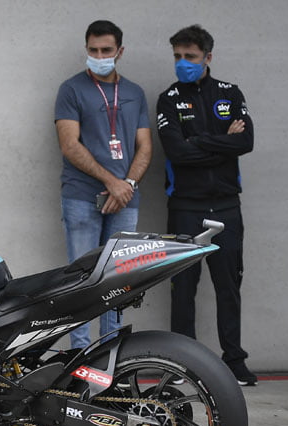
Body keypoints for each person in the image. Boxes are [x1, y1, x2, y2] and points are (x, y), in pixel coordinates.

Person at [156, 25, 256, 386]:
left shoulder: (230, 93)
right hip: (185, 206)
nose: (182, 62)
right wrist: (220, 142)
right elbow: (177, 152)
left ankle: (234, 361)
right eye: (177, 56)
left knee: (228, 286)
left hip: (226, 206)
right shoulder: (168, 99)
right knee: (183, 287)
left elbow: (245, 141)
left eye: (190, 56)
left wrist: (197, 141)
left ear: (207, 57)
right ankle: (182, 363)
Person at [54, 20, 152, 349]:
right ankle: (79, 354)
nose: (99, 56)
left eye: (106, 50)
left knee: (117, 281)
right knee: (83, 281)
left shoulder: (135, 93)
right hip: (82, 197)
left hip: (125, 200)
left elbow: (145, 146)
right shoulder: (71, 89)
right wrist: (114, 183)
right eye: (93, 50)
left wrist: (127, 184)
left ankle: (110, 351)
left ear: (120, 52)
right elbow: (69, 144)